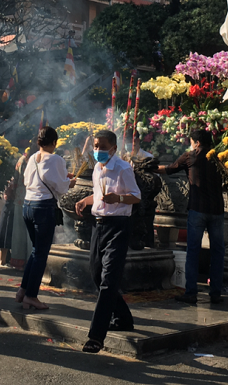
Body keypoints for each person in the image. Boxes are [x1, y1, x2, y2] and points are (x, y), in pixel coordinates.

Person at [74, 130, 141, 354]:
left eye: (102, 147)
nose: (98, 151)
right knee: (96, 273)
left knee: (108, 280)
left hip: (119, 226)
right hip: (98, 225)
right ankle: (123, 317)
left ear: (113, 148)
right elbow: (98, 193)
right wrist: (85, 200)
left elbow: (136, 195)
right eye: (95, 146)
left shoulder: (122, 168)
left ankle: (96, 336)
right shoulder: (97, 168)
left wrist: (118, 198)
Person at [157, 128, 225, 304]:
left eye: (191, 141)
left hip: (197, 209)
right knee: (218, 252)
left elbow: (170, 169)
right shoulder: (220, 157)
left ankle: (191, 292)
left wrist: (150, 167)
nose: (191, 145)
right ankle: (216, 292)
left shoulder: (191, 156)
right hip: (217, 210)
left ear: (197, 143)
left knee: (193, 252)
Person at [17, 127, 75, 310]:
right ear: (54, 143)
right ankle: (31, 296)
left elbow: (28, 181)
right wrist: (70, 182)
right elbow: (61, 187)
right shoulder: (56, 159)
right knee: (41, 254)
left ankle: (23, 290)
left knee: (36, 251)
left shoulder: (33, 157)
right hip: (43, 208)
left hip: (28, 206)